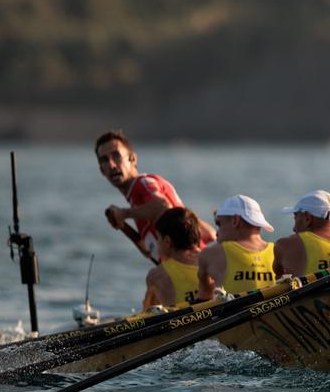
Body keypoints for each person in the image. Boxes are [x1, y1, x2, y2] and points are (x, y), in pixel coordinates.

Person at [94, 129, 215, 263]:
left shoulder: (143, 184)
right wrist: (123, 226)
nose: (111, 164)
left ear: (132, 159)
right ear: (101, 170)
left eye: (116, 156)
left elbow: (162, 205)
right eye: (105, 160)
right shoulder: (137, 203)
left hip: (193, 271)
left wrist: (124, 213)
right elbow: (148, 250)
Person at [197, 195, 276, 298]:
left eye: (219, 224)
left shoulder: (210, 253)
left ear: (235, 220)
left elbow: (204, 297)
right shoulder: (279, 251)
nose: (217, 233)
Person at [273, 190, 330, 277]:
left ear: (307, 218)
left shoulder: (286, 245)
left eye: (295, 217)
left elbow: (278, 279)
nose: (294, 229)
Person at [142, 207, 202, 310]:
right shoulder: (212, 260)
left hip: (181, 324)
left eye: (158, 239)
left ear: (167, 241)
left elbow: (146, 314)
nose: (157, 244)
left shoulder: (156, 276)